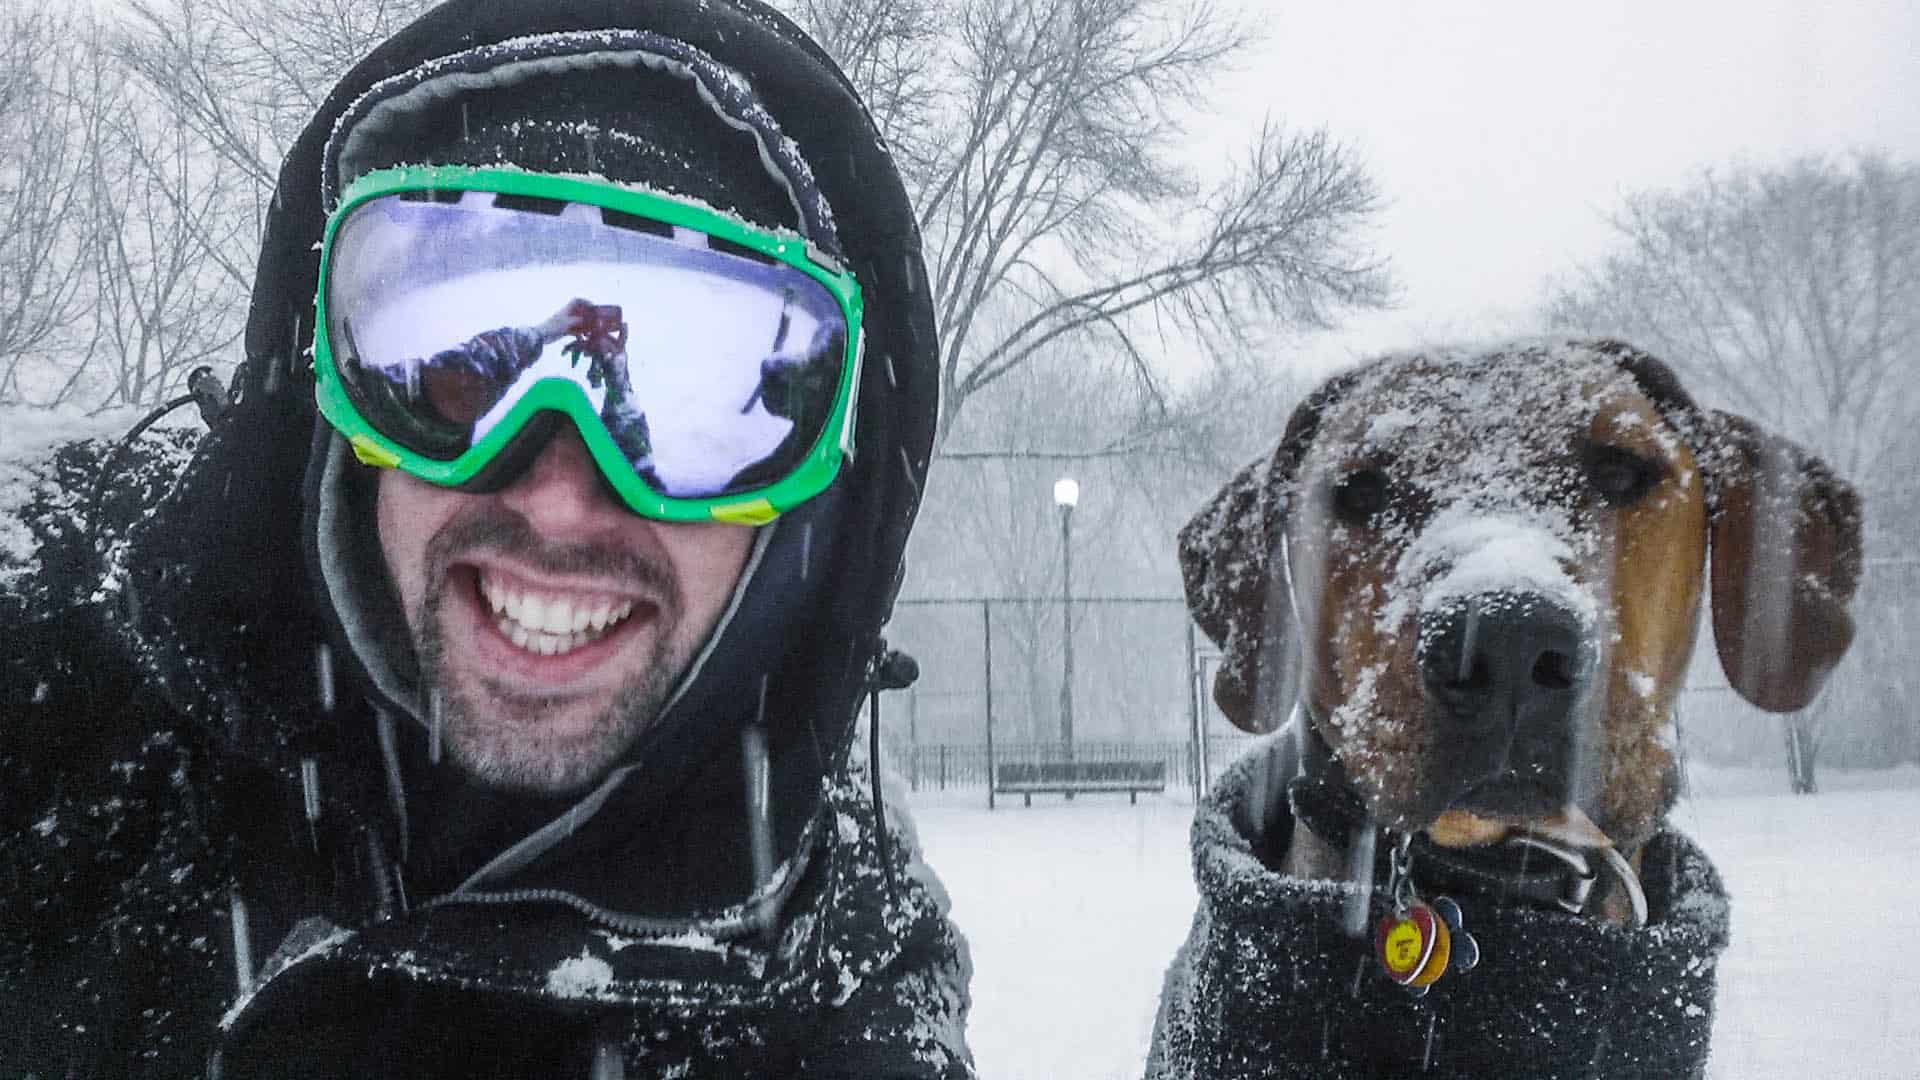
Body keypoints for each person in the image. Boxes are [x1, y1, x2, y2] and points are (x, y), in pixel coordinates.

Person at [0, 1, 968, 1076]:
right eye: (453, 373)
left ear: (809, 498)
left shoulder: (838, 981)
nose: (560, 497)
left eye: (698, 401)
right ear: (334, 390)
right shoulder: (66, 653)